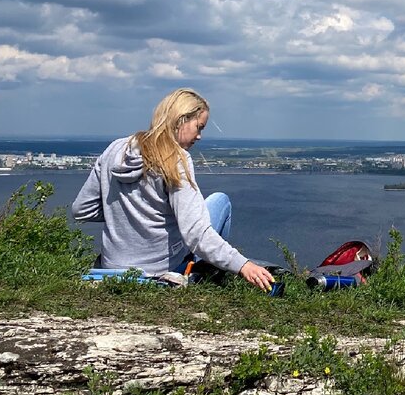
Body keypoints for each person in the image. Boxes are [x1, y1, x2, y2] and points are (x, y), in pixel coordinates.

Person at [72, 88, 275, 292]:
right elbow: (196, 233)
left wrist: (124, 216)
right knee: (220, 201)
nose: (199, 136)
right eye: (199, 127)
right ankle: (202, 272)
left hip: (111, 268)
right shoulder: (176, 159)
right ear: (181, 119)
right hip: (159, 271)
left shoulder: (116, 149)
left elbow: (82, 209)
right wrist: (243, 265)